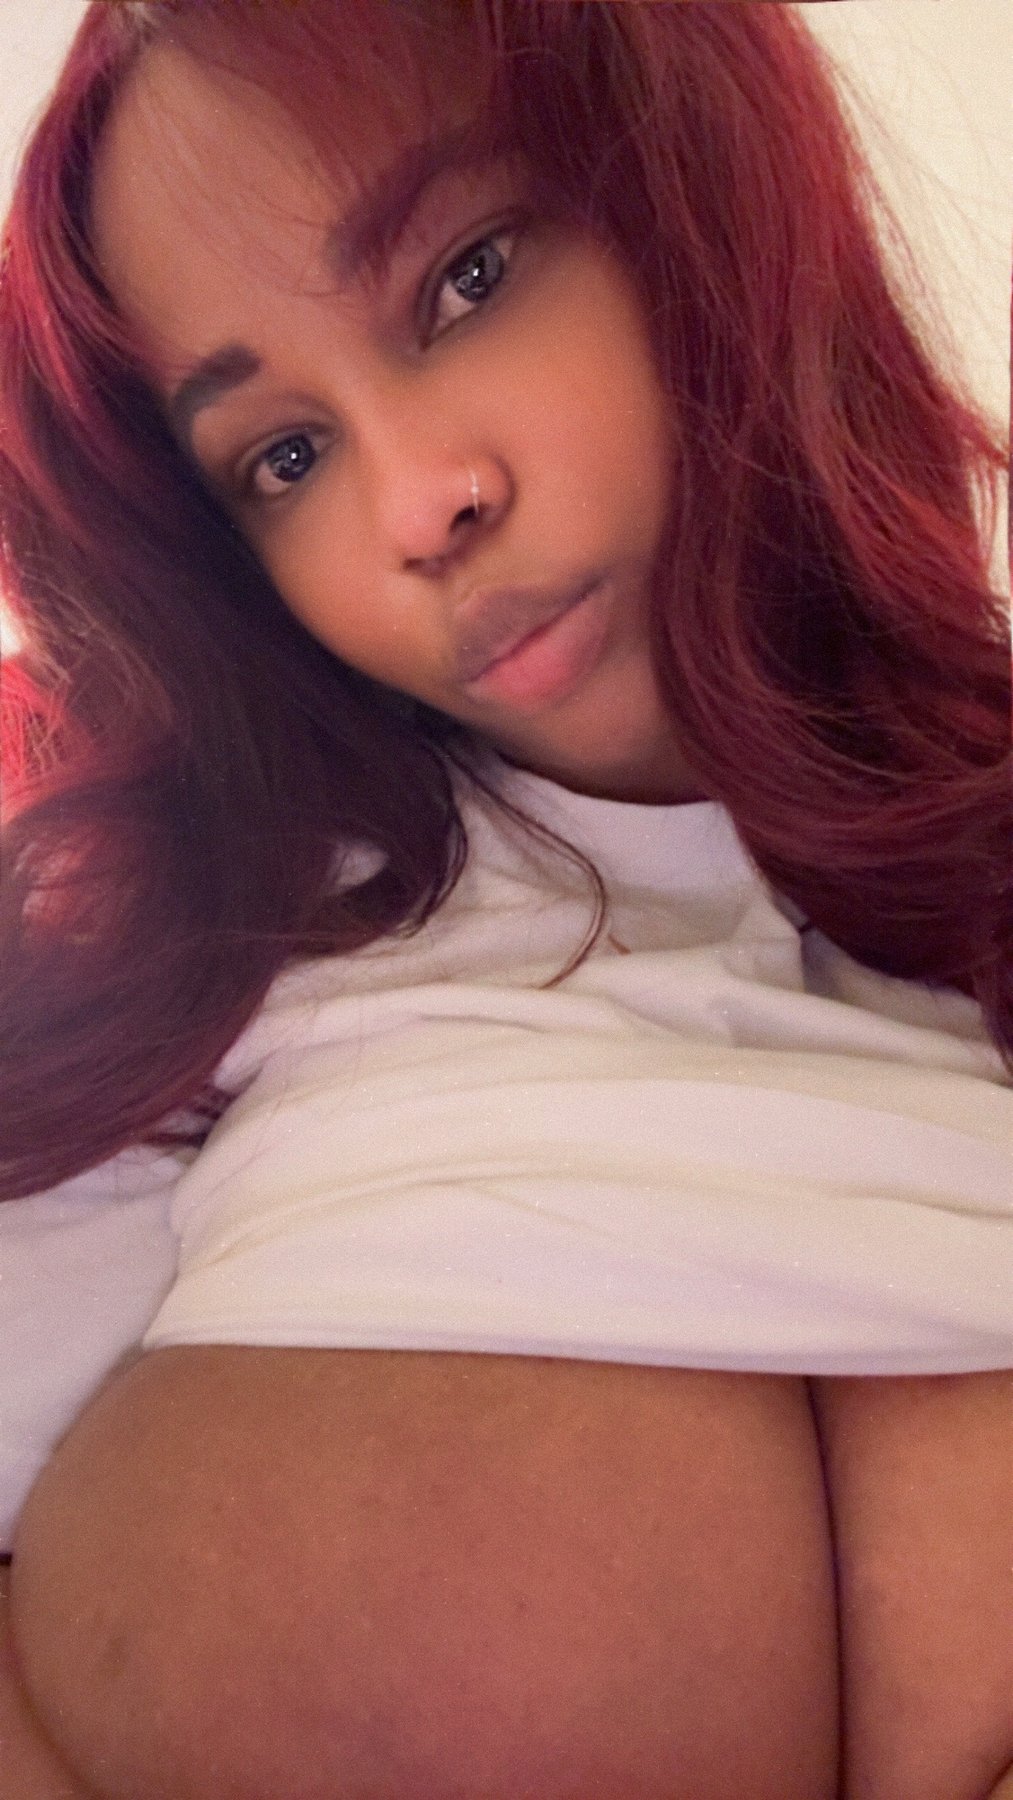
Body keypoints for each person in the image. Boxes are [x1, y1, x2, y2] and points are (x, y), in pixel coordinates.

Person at [0, 1, 1010, 1794]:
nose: (419, 505)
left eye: (465, 278)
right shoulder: (186, 941)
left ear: (692, 195)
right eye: (283, 457)